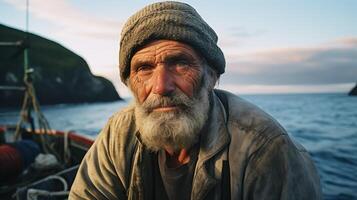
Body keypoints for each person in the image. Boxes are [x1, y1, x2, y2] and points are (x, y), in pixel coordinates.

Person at [69, 1, 321, 199]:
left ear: (212, 76)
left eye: (179, 63)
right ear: (130, 83)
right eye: (144, 68)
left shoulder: (265, 150)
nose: (161, 86)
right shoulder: (118, 133)